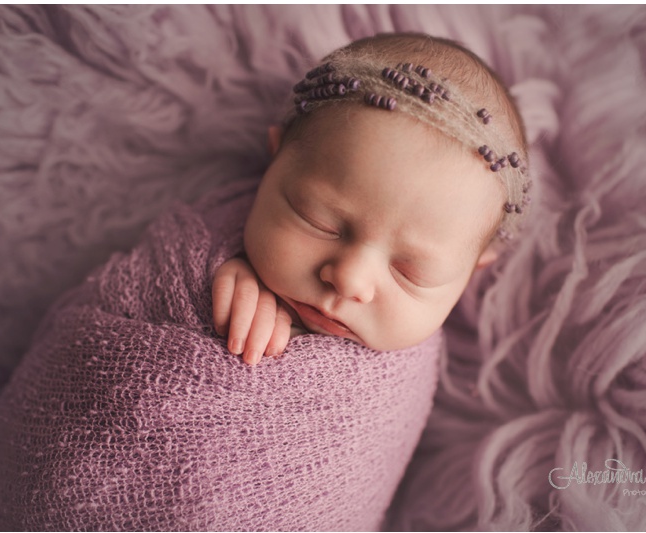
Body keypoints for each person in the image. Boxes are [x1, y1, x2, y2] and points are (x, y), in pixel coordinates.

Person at [212, 32, 530, 365]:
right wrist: (217, 271)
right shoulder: (211, 249)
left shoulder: (406, 368)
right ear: (273, 161)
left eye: (411, 272)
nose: (350, 280)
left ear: (469, 275)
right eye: (318, 221)